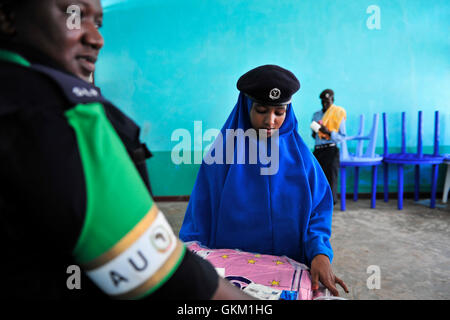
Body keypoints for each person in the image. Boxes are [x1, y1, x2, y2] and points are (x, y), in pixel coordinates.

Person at [0, 0, 251, 300]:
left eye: (99, 23)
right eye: (74, 14)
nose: (96, 38)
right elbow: (175, 282)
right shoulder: (70, 119)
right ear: (7, 15)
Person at [180, 65, 349, 296]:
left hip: (287, 273)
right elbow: (199, 218)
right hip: (232, 275)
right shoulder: (221, 157)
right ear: (245, 107)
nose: (270, 121)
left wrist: (320, 254)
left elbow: (318, 213)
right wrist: (192, 264)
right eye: (261, 110)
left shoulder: (302, 159)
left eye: (279, 113)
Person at [311, 89, 347, 205]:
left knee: (331, 178)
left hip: (331, 149)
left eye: (328, 101)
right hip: (318, 150)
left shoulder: (338, 113)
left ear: (332, 100)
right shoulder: (316, 115)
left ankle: (330, 204)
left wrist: (329, 132)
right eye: (323, 101)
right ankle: (317, 203)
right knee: (316, 177)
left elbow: (342, 137)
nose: (325, 104)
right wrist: (317, 130)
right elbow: (313, 134)